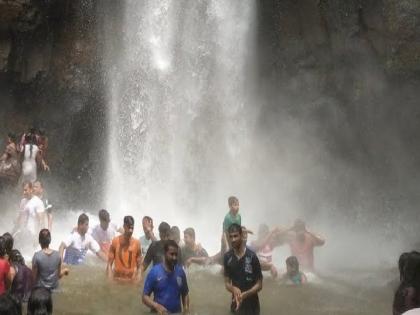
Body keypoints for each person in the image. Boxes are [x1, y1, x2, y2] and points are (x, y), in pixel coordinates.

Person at [224, 223, 262, 315]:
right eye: (231, 237)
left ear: (241, 236)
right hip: (235, 304)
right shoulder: (227, 257)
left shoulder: (252, 257)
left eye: (235, 236)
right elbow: (227, 283)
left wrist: (245, 294)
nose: (233, 239)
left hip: (252, 307)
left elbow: (259, 285)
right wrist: (233, 289)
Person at [142, 240, 189, 314]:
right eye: (171, 254)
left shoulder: (180, 272)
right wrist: (156, 306)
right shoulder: (154, 272)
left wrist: (186, 309)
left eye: (176, 254)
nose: (174, 257)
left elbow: (185, 293)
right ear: (164, 253)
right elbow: (145, 297)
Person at [107, 216, 141, 282]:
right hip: (117, 280)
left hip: (131, 281)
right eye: (128, 227)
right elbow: (109, 265)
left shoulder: (137, 243)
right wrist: (110, 281)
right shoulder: (115, 241)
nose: (130, 230)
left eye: (132, 228)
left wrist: (138, 280)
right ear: (124, 226)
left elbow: (139, 267)